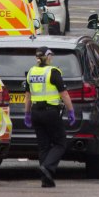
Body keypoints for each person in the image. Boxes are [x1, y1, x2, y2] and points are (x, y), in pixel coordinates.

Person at [23, 46, 76, 188]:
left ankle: (46, 179)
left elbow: (27, 96)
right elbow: (64, 94)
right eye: (50, 55)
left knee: (43, 145)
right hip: (50, 112)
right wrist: (71, 111)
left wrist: (27, 114)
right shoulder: (52, 72)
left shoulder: (31, 72)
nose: (52, 57)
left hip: (36, 112)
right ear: (47, 57)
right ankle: (47, 167)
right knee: (60, 143)